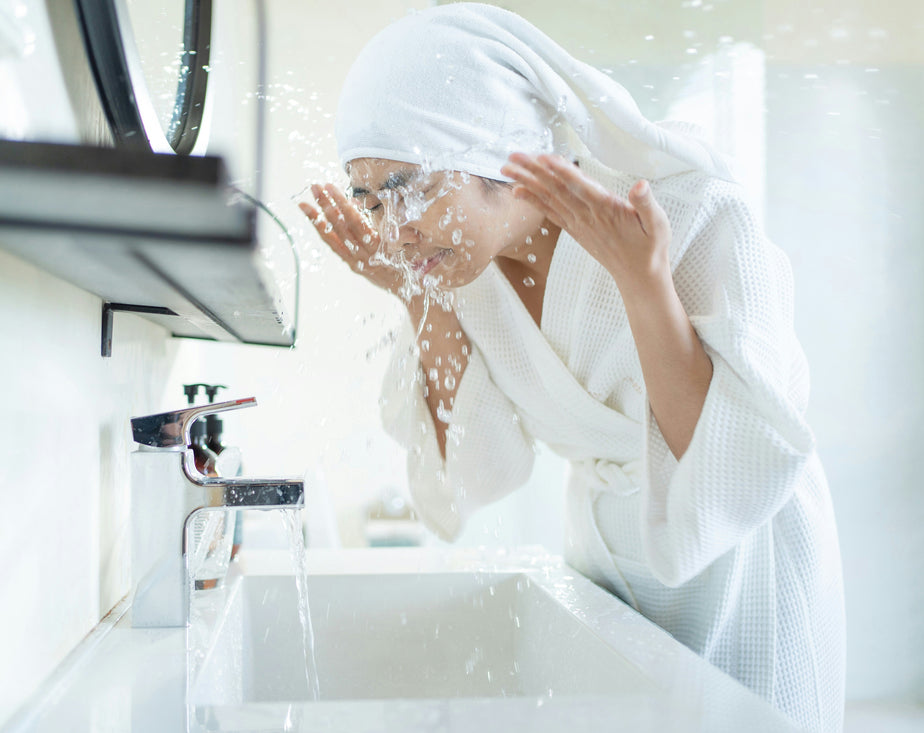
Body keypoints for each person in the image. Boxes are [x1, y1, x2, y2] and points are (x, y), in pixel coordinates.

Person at [298, 4, 845, 732]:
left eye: (409, 188)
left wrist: (641, 282)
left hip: (742, 570)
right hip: (607, 563)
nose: (392, 233)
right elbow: (483, 471)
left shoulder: (694, 210)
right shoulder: (464, 273)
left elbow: (724, 465)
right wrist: (413, 296)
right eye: (370, 201)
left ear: (498, 154)